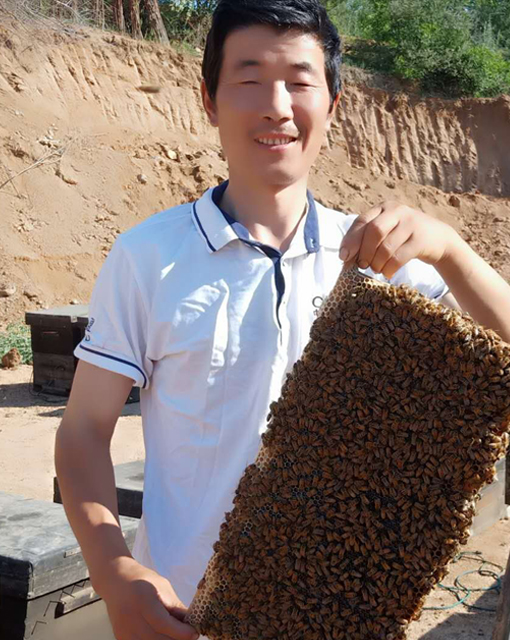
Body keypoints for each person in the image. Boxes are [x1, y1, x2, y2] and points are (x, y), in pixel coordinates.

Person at [54, 1, 510, 639]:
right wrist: (113, 570)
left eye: (299, 81)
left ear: (334, 104)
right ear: (209, 101)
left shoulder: (379, 257)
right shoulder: (148, 257)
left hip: (341, 617)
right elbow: (82, 432)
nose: (276, 106)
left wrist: (452, 251)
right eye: (249, 79)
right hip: (186, 619)